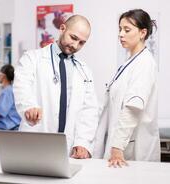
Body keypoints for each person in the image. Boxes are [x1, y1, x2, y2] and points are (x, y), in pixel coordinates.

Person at [13, 15, 99, 159]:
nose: (75, 45)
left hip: (68, 147)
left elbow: (89, 109)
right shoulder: (32, 58)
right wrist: (29, 107)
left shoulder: (84, 70)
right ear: (62, 28)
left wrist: (83, 142)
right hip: (36, 138)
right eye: (73, 37)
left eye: (82, 43)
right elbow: (22, 87)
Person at [93, 9, 160, 167]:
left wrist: (117, 147)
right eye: (120, 29)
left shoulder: (144, 63)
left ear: (142, 33)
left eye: (127, 30)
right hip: (121, 142)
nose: (121, 34)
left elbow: (133, 107)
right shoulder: (129, 62)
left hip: (131, 148)